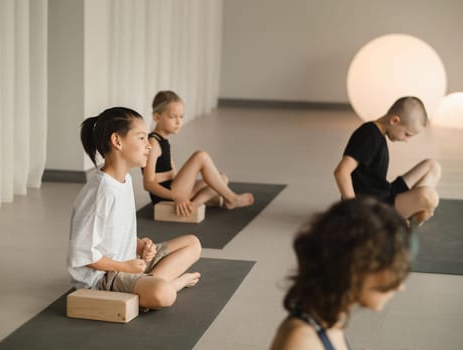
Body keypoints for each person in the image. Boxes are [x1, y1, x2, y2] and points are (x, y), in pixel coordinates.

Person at [67, 106, 202, 310]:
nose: (149, 146)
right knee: (164, 294)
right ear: (117, 141)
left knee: (193, 244)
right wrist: (124, 267)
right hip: (104, 278)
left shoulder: (125, 180)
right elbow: (82, 253)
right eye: (141, 138)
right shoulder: (100, 192)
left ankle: (147, 283)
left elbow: (113, 231)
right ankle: (172, 284)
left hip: (129, 263)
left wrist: (138, 245)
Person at [270, 197, 414, 350]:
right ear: (356, 268)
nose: (400, 286)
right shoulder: (302, 341)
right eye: (392, 270)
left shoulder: (327, 319)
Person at [142, 90, 254, 216]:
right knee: (200, 156)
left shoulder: (164, 141)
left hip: (175, 188)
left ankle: (194, 205)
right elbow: (148, 183)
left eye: (181, 117)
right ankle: (232, 199)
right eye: (173, 117)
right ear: (157, 117)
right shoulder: (153, 143)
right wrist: (175, 196)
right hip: (167, 194)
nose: (178, 122)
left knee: (222, 178)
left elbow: (173, 173)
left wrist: (190, 179)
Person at [334, 96, 441, 225]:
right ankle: (403, 217)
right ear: (395, 120)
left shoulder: (377, 133)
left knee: (432, 166)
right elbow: (341, 172)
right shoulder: (369, 135)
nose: (406, 140)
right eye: (407, 134)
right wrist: (356, 211)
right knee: (430, 197)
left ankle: (408, 214)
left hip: (384, 193)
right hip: (374, 206)